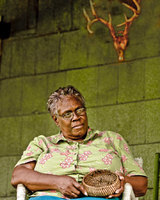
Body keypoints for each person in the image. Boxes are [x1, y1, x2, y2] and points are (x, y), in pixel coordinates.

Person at [11, 85, 148, 200]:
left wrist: (122, 182)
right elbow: (18, 175)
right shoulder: (42, 143)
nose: (76, 117)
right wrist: (57, 182)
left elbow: (141, 185)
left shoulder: (112, 139)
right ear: (56, 120)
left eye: (79, 110)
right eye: (67, 114)